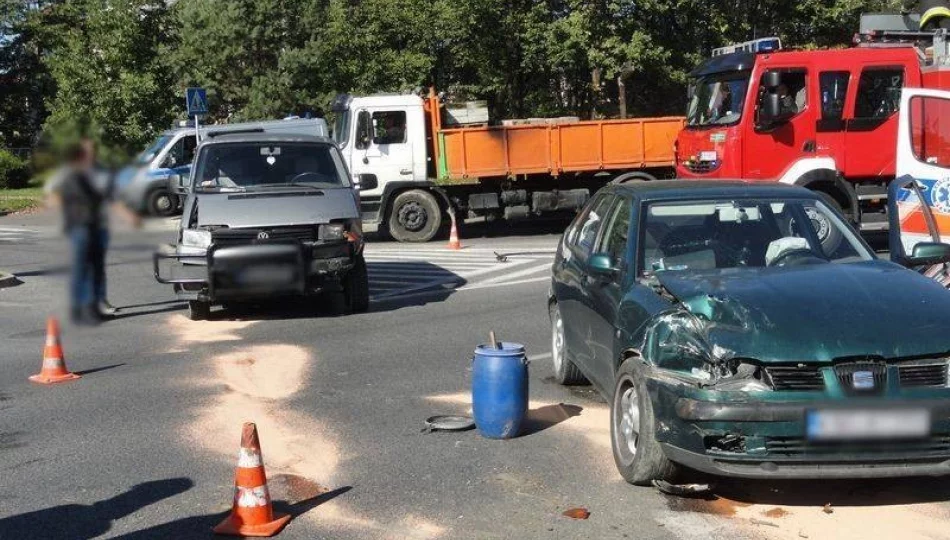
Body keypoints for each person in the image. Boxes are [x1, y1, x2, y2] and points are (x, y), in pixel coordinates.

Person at [45, 139, 127, 324]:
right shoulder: (71, 173)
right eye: (87, 151)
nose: (91, 154)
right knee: (81, 268)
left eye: (93, 151)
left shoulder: (99, 170)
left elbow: (108, 195)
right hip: (80, 228)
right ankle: (78, 309)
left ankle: (95, 306)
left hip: (98, 227)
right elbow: (54, 195)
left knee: (97, 268)